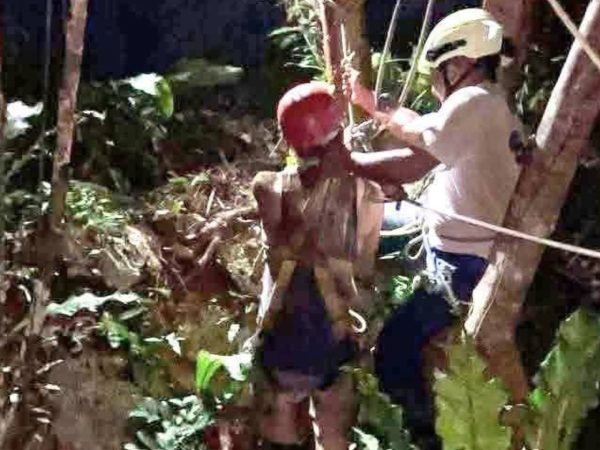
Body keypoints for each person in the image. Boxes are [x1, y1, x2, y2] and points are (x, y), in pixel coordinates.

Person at [338, 8, 522, 449]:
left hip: (459, 265)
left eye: (439, 72)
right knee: (370, 219)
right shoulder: (488, 104)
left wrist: (347, 162)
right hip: (446, 235)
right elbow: (421, 140)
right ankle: (360, 294)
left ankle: (421, 433)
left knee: (395, 349)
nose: (437, 83)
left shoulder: (472, 103)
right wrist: (368, 102)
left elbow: (413, 161)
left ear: (459, 63)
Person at [250, 81, 383, 450]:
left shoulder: (267, 189)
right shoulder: (369, 194)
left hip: (282, 340)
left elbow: (277, 240)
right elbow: (365, 265)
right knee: (334, 433)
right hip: (334, 341)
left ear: (288, 140)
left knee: (279, 428)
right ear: (337, 134)